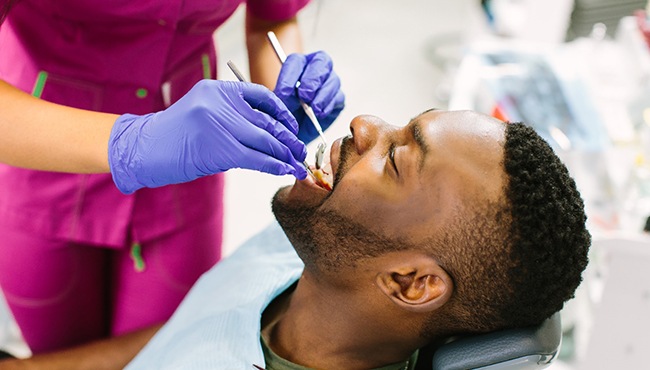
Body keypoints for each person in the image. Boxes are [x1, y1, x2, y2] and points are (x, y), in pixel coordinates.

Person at [0, 109, 590, 369]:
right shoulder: (316, 253)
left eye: (394, 159)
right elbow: (194, 329)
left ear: (410, 283)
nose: (363, 125)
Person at [0, 0, 345, 355]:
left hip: (188, 165)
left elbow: (272, 18)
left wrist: (286, 93)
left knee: (171, 351)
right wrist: (130, 142)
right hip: (42, 155)